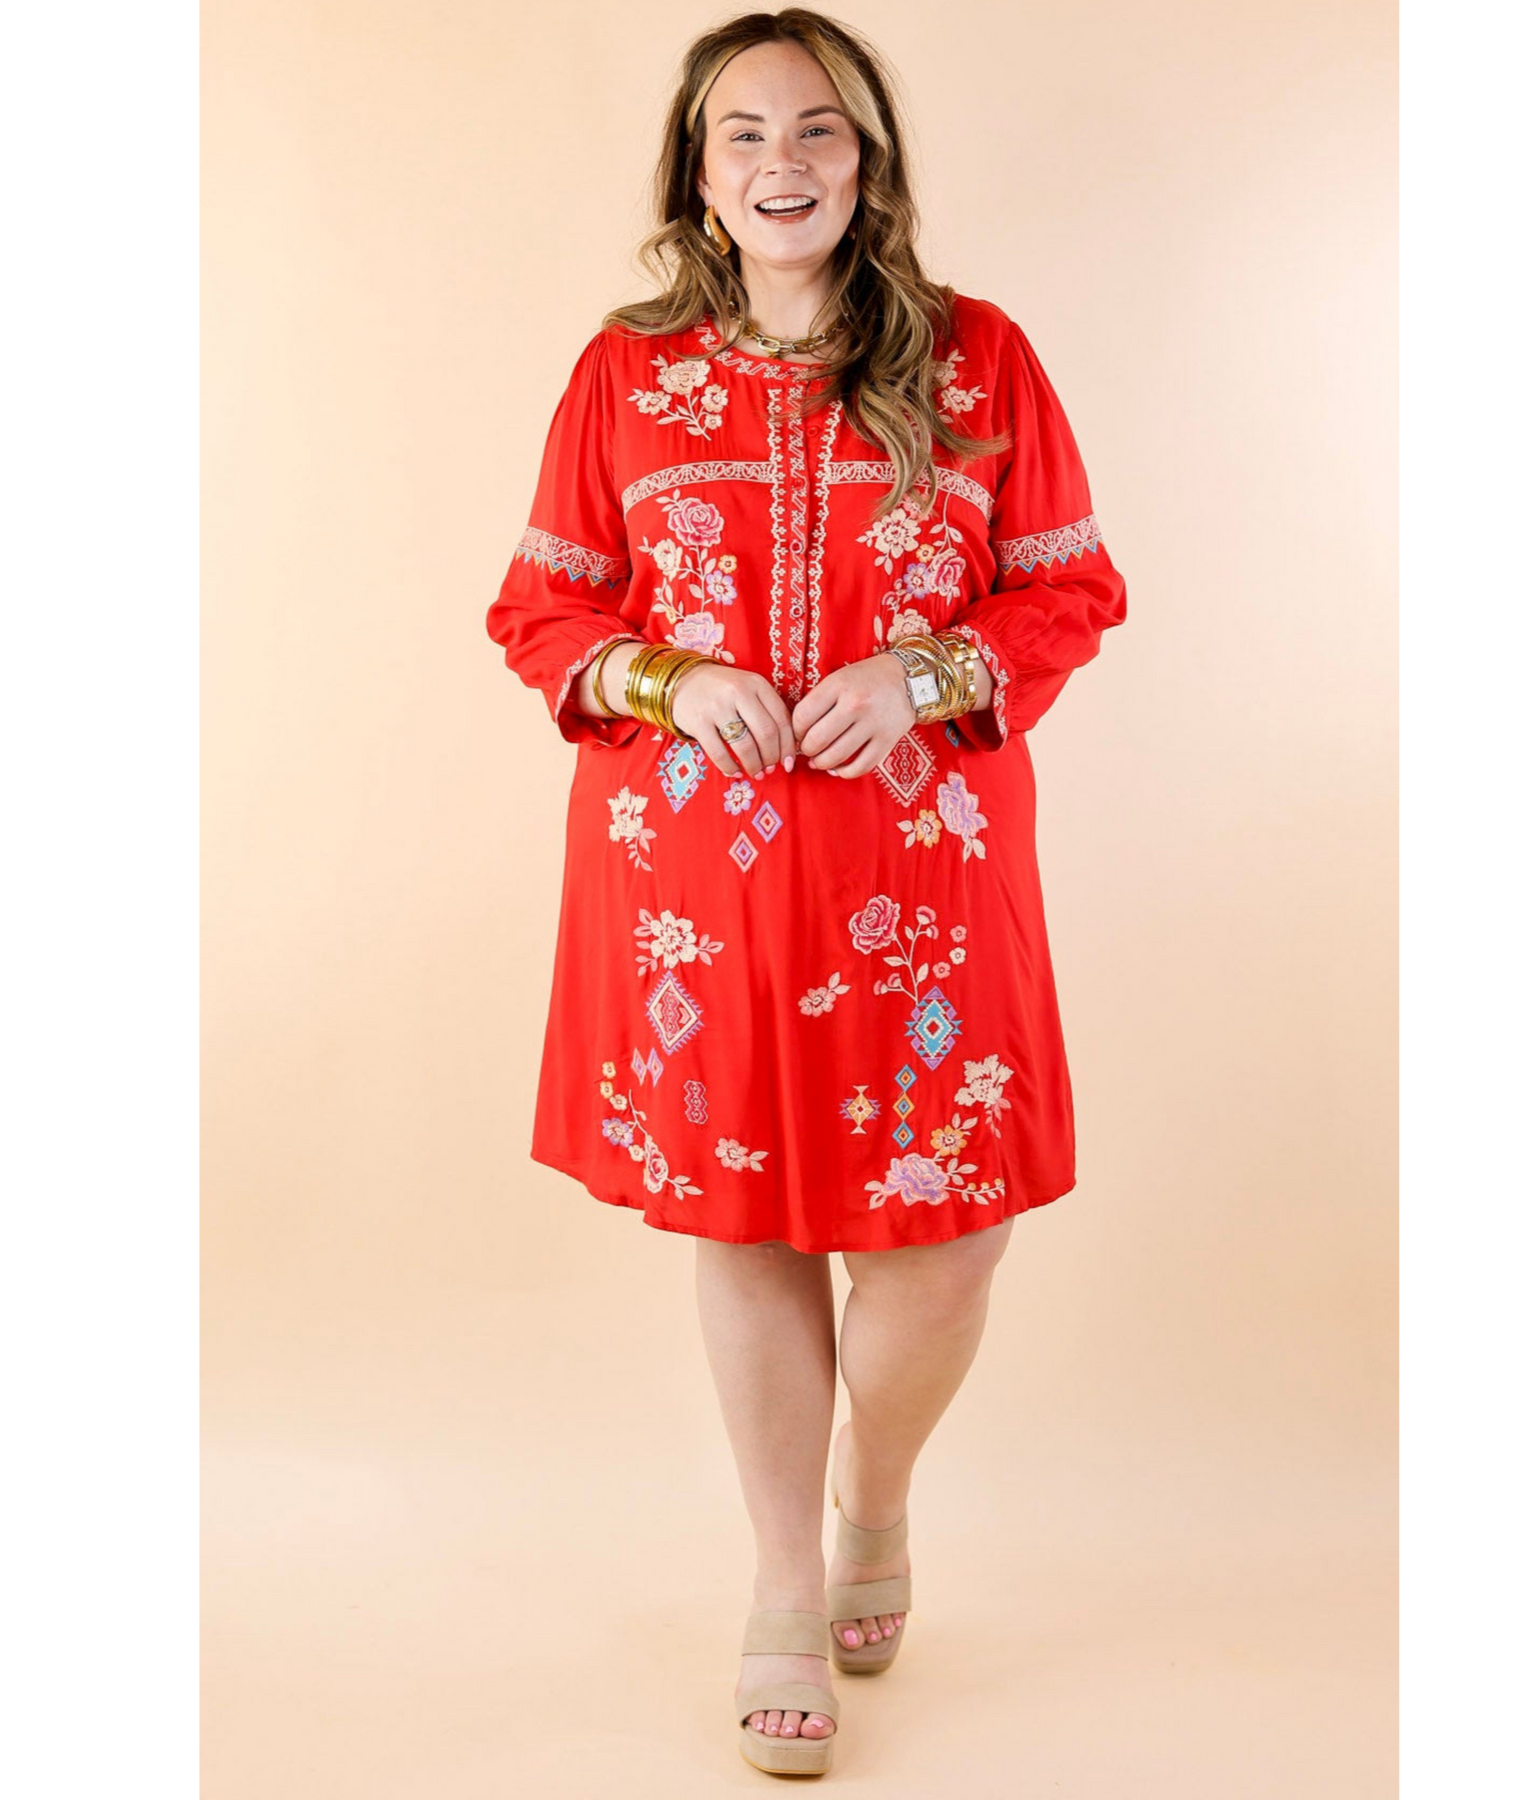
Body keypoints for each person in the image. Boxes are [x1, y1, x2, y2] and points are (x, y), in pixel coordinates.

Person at [485, 7, 1126, 1777]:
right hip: (696, 879)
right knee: (749, 1219)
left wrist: (926, 673)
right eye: (745, 136)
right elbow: (541, 606)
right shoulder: (625, 374)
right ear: (699, 176)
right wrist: (667, 676)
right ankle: (783, 1578)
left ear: (869, 161)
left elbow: (1070, 591)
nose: (784, 163)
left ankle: (874, 1495)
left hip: (928, 869)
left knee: (949, 1238)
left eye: (819, 130)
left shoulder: (981, 360)